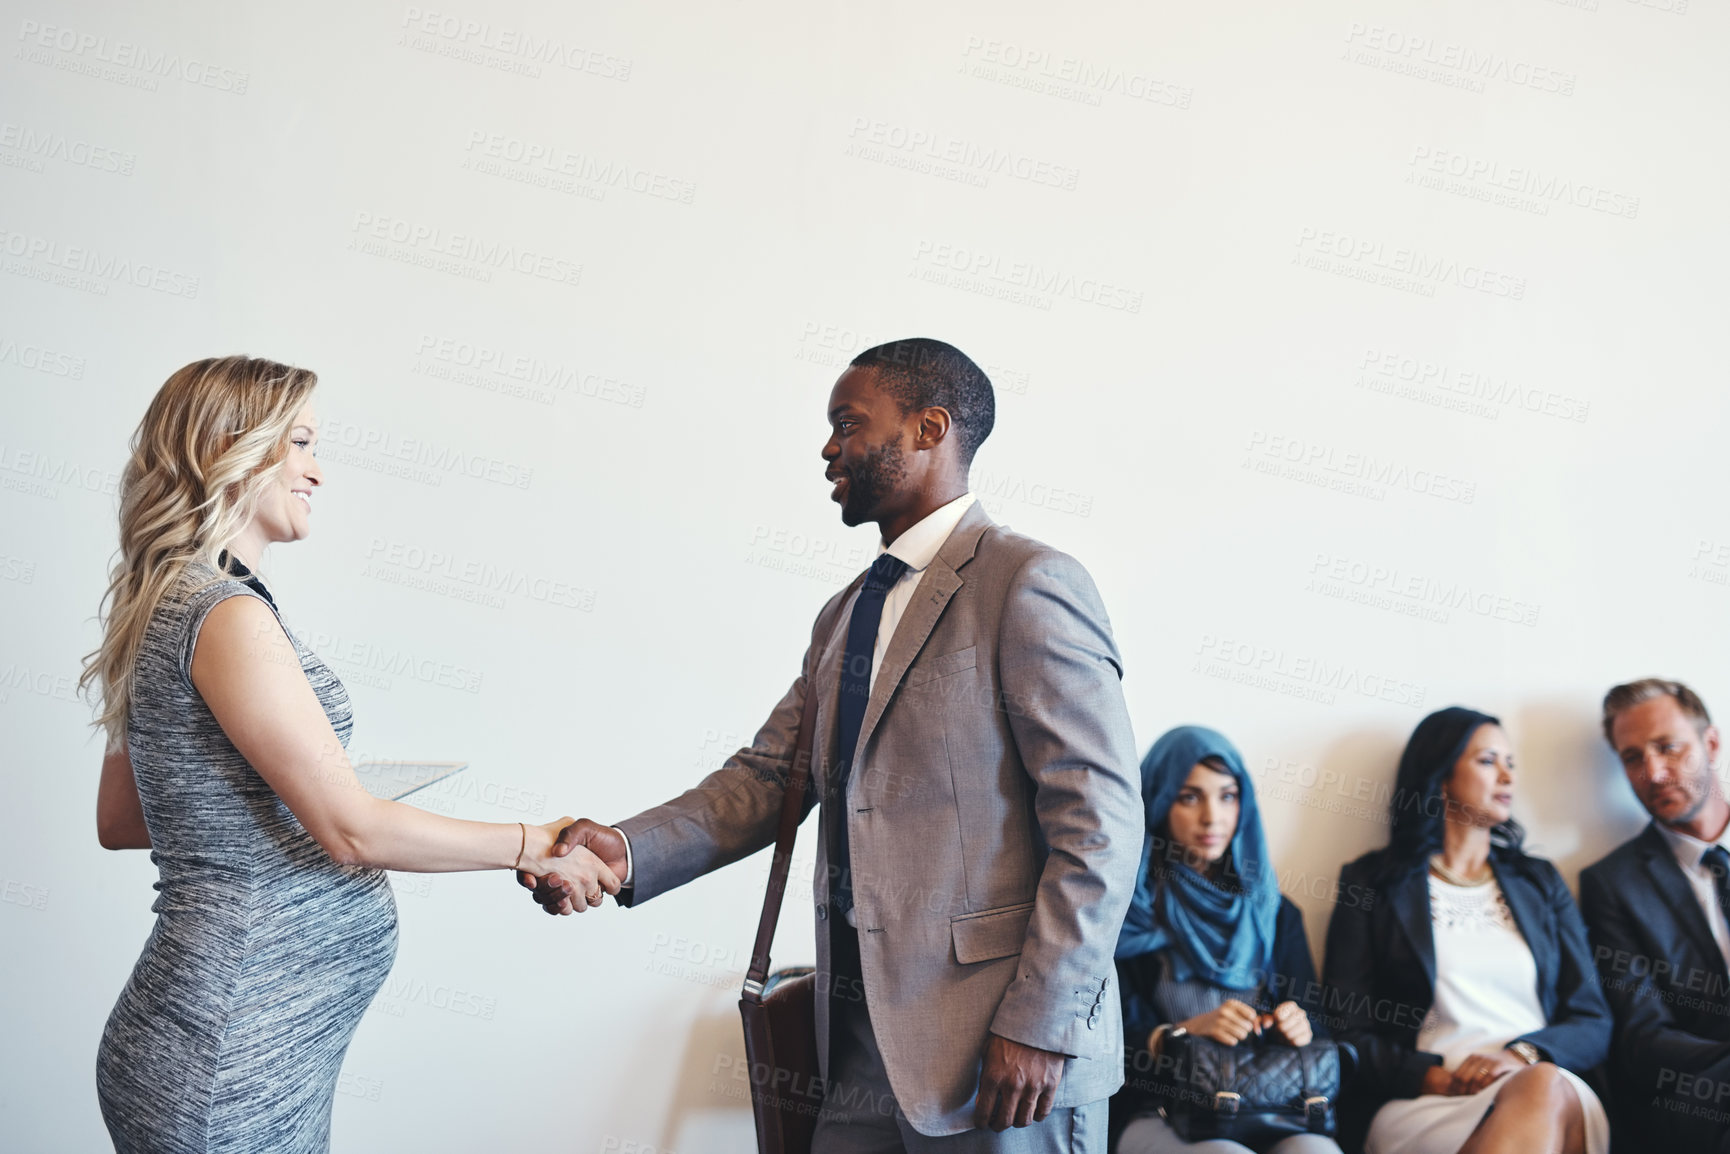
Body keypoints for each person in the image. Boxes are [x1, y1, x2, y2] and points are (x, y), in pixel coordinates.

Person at [527, 337, 1143, 1152]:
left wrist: (1041, 1021)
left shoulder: (1029, 583)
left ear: (930, 428)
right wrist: (623, 850)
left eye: (849, 424)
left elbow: (1100, 824)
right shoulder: (846, 611)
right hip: (855, 1048)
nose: (828, 447)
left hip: (1002, 1058)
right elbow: (767, 776)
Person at [82, 356, 617, 1154]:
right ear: (230, 446)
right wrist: (533, 844)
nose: (317, 471)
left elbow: (128, 818)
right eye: (298, 442)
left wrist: (321, 792)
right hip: (229, 1051)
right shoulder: (221, 613)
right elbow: (352, 834)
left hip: (242, 1043)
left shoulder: (164, 599)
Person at [1321, 707, 1611, 1154]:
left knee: (1543, 1088)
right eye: (1488, 761)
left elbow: (1592, 1018)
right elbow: (1345, 1024)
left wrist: (1522, 1055)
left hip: (1543, 1075)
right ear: (1440, 775)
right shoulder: (1372, 882)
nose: (1507, 777)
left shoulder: (1539, 882)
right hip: (1427, 1097)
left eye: (1511, 764)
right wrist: (1430, 1075)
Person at [1112, 726, 1340, 1154]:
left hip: (1270, 1105)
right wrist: (1181, 1034)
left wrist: (1297, 1026)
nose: (1212, 817)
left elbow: (1320, 1026)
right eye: (1189, 797)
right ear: (1159, 802)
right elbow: (1103, 1045)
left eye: (1227, 796)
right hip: (1162, 1109)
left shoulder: (1273, 910)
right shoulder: (1130, 911)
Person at [1578, 679, 1730, 1153]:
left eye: (1668, 747)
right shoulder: (1612, 885)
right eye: (1632, 757)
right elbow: (1644, 1039)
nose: (1655, 772)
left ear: (1710, 743)